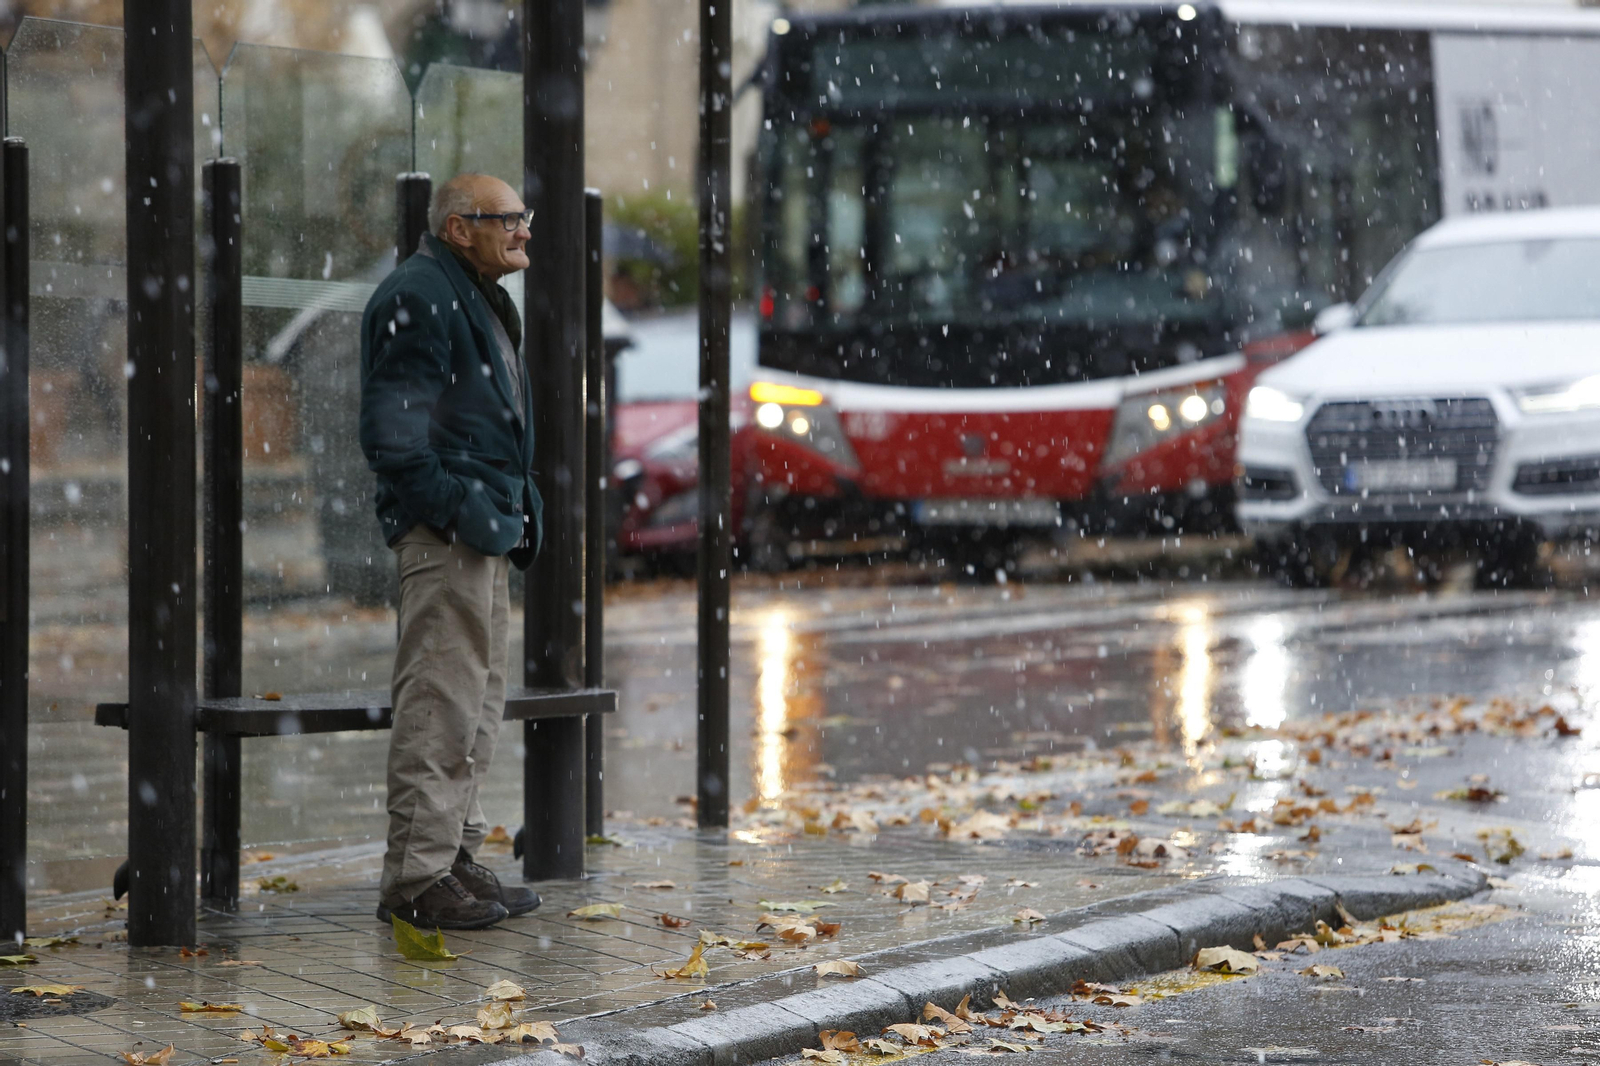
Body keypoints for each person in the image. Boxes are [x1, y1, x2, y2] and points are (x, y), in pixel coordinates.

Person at [359, 173, 544, 929]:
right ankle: (416, 882)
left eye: (524, 218)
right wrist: (459, 511)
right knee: (441, 705)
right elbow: (393, 439)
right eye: (508, 220)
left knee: (473, 704)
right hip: (450, 535)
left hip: (478, 529)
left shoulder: (461, 289)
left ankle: (452, 857)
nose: (524, 231)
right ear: (460, 227)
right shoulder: (422, 294)